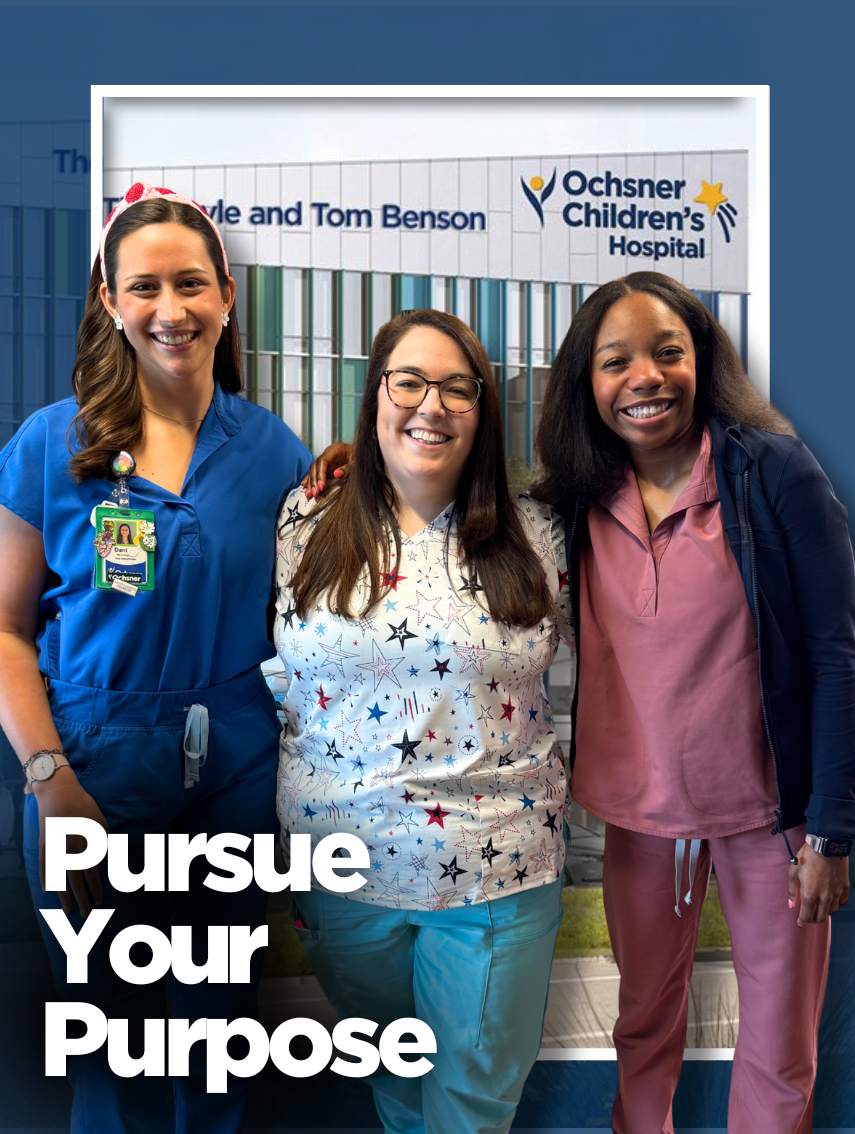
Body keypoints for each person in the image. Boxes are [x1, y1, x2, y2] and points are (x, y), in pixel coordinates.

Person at [0, 183, 311, 1134]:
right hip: (90, 764)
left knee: (215, 1044)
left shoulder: (273, 453)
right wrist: (50, 780)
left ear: (224, 293)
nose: (169, 310)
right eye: (144, 288)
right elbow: (6, 630)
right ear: (108, 298)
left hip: (237, 773)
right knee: (103, 1047)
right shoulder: (51, 445)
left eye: (189, 285)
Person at [532, 271, 855, 1134]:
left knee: (780, 1045)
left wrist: (829, 829)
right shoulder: (572, 494)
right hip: (644, 822)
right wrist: (345, 470)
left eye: (667, 352)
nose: (645, 377)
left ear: (700, 361)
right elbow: (452, 503)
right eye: (616, 361)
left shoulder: (772, 473)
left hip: (773, 823)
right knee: (642, 1025)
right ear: (586, 384)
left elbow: (835, 654)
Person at [275, 309, 573, 1134]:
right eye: (407, 380)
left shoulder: (541, 535)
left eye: (456, 387)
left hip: (493, 869)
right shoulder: (301, 522)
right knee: (398, 1096)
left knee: (467, 1112)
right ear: (373, 396)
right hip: (339, 870)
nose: (429, 405)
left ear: (483, 409)